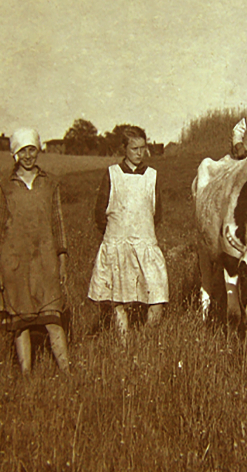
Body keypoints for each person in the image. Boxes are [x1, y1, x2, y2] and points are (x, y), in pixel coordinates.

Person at [0, 128, 70, 375]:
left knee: (53, 319)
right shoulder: (6, 185)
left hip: (45, 259)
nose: (28, 155)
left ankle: (67, 373)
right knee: (20, 323)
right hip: (14, 261)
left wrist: (62, 256)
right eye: (22, 150)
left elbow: (58, 221)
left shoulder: (50, 182)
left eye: (32, 149)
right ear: (15, 153)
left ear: (38, 149)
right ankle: (26, 377)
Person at [88, 125, 169, 338]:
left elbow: (156, 213)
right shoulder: (112, 174)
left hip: (145, 243)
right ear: (124, 149)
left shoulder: (152, 176)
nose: (140, 153)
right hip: (118, 243)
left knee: (157, 297)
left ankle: (145, 341)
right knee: (118, 298)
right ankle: (124, 344)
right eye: (134, 149)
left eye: (143, 148)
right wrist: (116, 236)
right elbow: (99, 213)